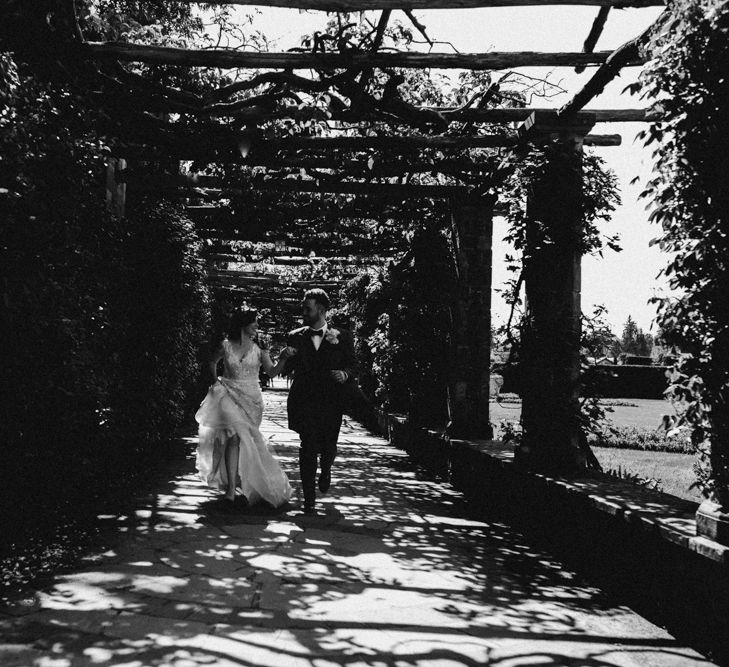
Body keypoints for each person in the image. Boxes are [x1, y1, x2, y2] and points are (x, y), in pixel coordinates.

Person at [195, 307, 294, 509]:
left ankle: (248, 484)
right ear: (243, 324)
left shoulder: (259, 350)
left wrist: (283, 357)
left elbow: (272, 372)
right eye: (254, 322)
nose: (257, 326)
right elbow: (212, 361)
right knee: (233, 437)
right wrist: (215, 381)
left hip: (252, 400)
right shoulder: (226, 346)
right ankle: (231, 490)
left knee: (244, 441)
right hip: (228, 393)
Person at [282, 289, 359, 514]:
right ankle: (309, 500)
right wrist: (285, 356)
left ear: (322, 310)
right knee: (307, 447)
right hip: (304, 401)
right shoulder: (295, 335)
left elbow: (354, 365)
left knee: (328, 447)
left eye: (308, 308)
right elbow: (287, 369)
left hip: (331, 401)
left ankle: (326, 469)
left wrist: (345, 374)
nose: (304, 312)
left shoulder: (342, 336)